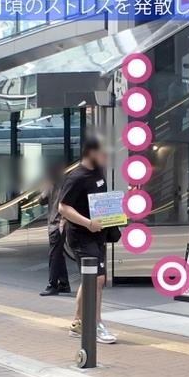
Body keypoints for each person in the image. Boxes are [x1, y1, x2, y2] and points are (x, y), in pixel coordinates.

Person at [58, 135, 117, 344]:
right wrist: (88, 223)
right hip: (81, 236)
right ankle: (95, 324)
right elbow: (63, 207)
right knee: (96, 279)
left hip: (98, 234)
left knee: (91, 278)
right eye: (102, 153)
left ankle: (78, 323)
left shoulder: (98, 172)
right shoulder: (76, 177)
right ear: (91, 152)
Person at [39, 163, 71, 296]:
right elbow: (41, 201)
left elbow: (67, 204)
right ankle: (64, 283)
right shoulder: (52, 185)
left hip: (58, 225)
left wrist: (63, 220)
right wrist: (44, 189)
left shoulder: (62, 185)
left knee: (54, 255)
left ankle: (52, 285)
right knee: (58, 254)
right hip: (53, 224)